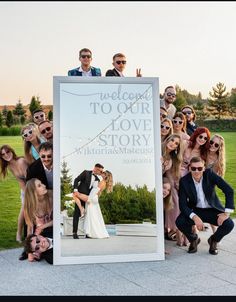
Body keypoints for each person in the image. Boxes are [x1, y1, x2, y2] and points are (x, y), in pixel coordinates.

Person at [176, 156, 234, 255]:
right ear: (189, 168)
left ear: (204, 168)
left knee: (229, 224)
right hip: (195, 210)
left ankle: (213, 240)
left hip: (212, 209)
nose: (196, 171)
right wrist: (194, 217)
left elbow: (229, 190)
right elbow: (183, 204)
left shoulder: (210, 174)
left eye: (200, 168)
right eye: (193, 168)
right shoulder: (184, 181)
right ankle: (193, 239)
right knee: (180, 222)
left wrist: (226, 213)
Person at [0, 145, 29, 243]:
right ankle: (19, 234)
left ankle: (27, 234)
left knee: (28, 209)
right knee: (24, 209)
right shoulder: (9, 166)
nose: (6, 155)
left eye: (7, 152)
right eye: (3, 154)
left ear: (11, 151)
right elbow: (20, 181)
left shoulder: (21, 161)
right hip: (25, 189)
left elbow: (29, 179)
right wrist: (26, 194)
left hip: (33, 185)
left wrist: (31, 195)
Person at [74, 170, 113, 239]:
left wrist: (89, 199)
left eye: (104, 173)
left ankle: (81, 209)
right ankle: (91, 232)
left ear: (106, 176)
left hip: (92, 197)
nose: (102, 173)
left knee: (75, 194)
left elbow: (94, 191)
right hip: (94, 198)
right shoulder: (103, 182)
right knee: (92, 215)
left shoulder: (102, 182)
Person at [23, 178, 53, 261]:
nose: (44, 186)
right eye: (39, 186)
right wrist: (29, 252)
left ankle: (41, 252)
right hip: (41, 235)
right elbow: (29, 228)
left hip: (53, 228)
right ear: (34, 193)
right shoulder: (29, 206)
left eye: (41, 183)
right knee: (34, 255)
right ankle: (36, 252)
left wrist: (42, 227)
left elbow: (58, 219)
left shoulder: (52, 195)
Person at [72, 163, 104, 239]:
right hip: (80, 195)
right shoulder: (86, 172)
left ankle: (88, 233)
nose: (101, 173)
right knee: (77, 213)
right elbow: (76, 180)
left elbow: (96, 191)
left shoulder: (98, 179)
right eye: (100, 171)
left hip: (89, 199)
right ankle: (74, 232)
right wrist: (75, 190)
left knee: (88, 216)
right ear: (96, 168)